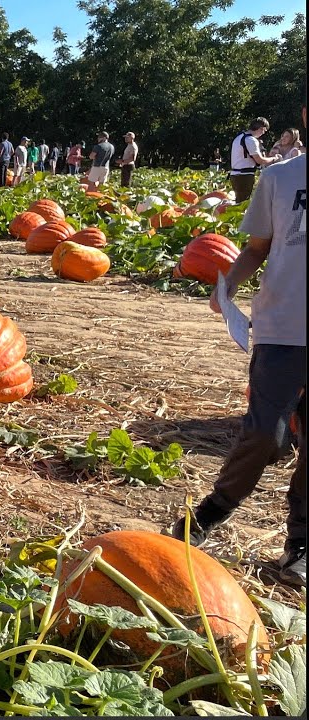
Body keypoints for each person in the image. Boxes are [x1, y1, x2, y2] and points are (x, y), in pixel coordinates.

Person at [170, 95, 306, 589]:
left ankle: (299, 545)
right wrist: (225, 286)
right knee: (266, 435)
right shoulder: (279, 178)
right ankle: (215, 508)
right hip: (282, 327)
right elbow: (257, 249)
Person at [229, 117, 281, 203]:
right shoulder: (251, 140)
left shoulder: (239, 137)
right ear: (261, 128)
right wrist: (274, 159)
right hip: (244, 175)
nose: (263, 133)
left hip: (235, 174)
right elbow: (260, 160)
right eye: (264, 131)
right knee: (243, 204)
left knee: (239, 201)